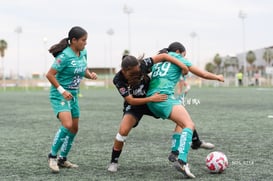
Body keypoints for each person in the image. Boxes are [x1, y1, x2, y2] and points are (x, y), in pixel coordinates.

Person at [107, 53, 213, 173]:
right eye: (133, 73)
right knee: (123, 131)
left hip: (152, 100)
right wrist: (151, 99)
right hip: (136, 105)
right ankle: (113, 161)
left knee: (182, 119)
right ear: (124, 71)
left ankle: (193, 143)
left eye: (139, 71)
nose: (138, 73)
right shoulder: (118, 79)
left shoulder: (142, 64)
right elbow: (130, 100)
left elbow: (163, 56)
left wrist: (182, 65)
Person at [147, 42, 224, 178]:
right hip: (163, 99)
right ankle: (182, 160)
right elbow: (203, 74)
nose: (184, 57)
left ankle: (175, 152)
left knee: (181, 121)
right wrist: (217, 77)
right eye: (184, 54)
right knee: (189, 125)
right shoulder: (178, 58)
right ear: (178, 52)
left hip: (151, 101)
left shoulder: (159, 60)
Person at [46, 26, 97, 173]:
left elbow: (83, 70)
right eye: (83, 40)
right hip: (59, 95)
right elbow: (49, 75)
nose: (85, 43)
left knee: (74, 128)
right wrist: (62, 91)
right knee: (67, 124)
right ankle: (52, 156)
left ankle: (63, 158)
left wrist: (90, 75)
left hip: (73, 96)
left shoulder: (83, 52)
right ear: (73, 40)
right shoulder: (64, 56)